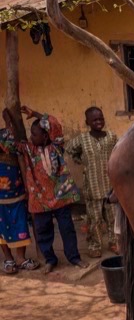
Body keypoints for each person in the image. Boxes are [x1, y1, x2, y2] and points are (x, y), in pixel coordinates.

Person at [0, 106, 87, 274]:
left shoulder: (56, 147)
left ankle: (74, 257)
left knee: (67, 229)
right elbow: (7, 144)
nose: (31, 137)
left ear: (46, 136)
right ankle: (50, 259)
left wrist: (36, 114)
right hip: (40, 200)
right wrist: (8, 124)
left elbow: (54, 124)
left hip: (61, 197)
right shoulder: (28, 150)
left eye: (34, 134)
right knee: (43, 232)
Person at [66, 107, 118, 258]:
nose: (98, 122)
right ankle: (94, 245)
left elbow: (119, 152)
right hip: (92, 188)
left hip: (110, 187)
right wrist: (80, 160)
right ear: (87, 122)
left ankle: (114, 242)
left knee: (112, 218)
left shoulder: (112, 137)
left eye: (101, 118)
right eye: (94, 120)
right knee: (94, 220)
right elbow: (69, 149)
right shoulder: (82, 139)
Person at [0, 125, 40, 274]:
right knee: (2, 230)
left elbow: (23, 168)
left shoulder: (11, 145)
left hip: (17, 196)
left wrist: (28, 189)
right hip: (0, 201)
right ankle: (8, 258)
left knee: (21, 225)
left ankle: (20, 258)